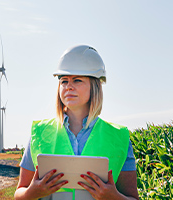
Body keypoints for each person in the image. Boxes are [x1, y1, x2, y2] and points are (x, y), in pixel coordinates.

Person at [14, 45, 139, 200]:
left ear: (95, 86)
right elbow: (19, 194)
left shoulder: (118, 137)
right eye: (64, 81)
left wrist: (113, 197)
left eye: (77, 80)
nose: (69, 87)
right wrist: (31, 193)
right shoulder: (39, 133)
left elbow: (133, 197)